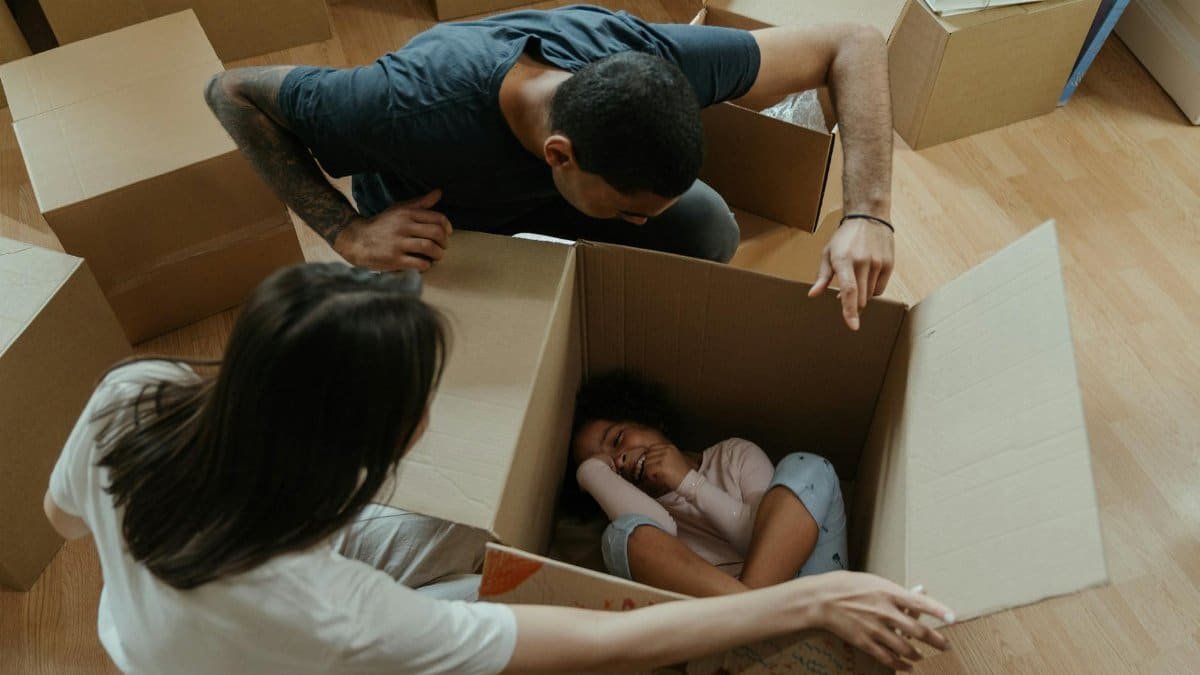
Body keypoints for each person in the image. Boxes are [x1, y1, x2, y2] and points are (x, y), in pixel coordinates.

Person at [43, 263, 952, 674]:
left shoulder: (137, 393)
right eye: (424, 397)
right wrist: (812, 599)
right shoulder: (338, 618)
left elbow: (62, 522)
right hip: (270, 644)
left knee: (474, 545)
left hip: (165, 625)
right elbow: (601, 640)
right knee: (520, 595)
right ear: (369, 446)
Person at [204, 5, 896, 331]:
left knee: (709, 228)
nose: (637, 220)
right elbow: (231, 93)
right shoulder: (399, 104)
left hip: (544, 190)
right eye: (629, 207)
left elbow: (854, 41)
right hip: (433, 216)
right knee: (420, 347)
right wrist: (347, 231)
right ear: (560, 154)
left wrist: (868, 212)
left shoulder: (658, 56)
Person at [568, 371, 849, 597]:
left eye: (618, 440)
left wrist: (688, 483)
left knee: (806, 466)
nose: (618, 461)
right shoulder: (643, 521)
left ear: (650, 421)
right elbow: (656, 526)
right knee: (619, 537)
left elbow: (761, 538)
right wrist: (593, 472)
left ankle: (750, 616)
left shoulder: (732, 455)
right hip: (724, 629)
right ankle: (751, 618)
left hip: (799, 589)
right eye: (606, 468)